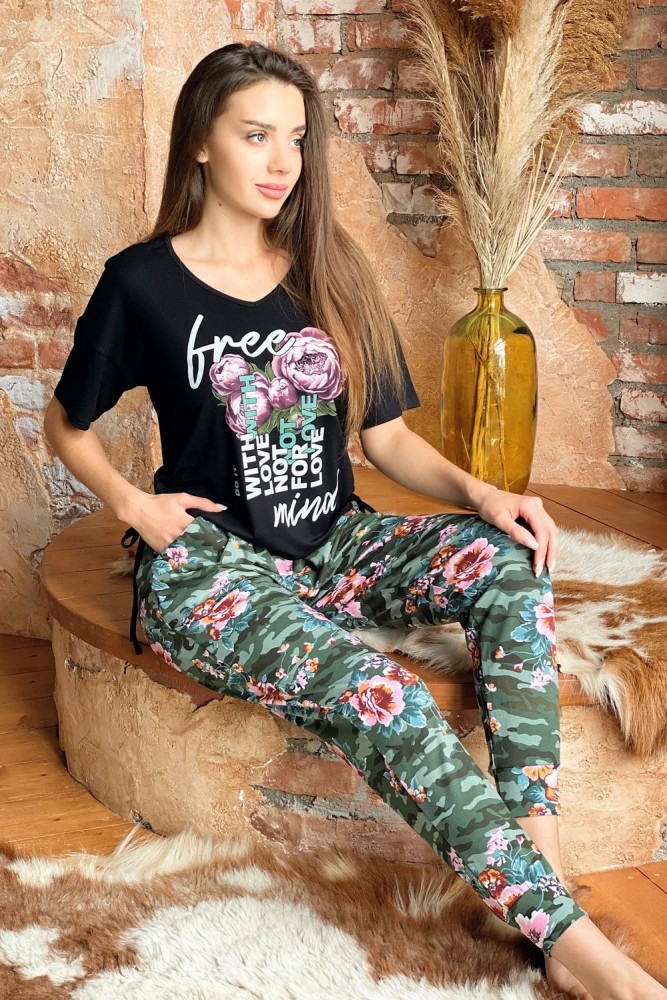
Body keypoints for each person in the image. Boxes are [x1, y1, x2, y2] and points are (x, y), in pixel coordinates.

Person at [43, 41, 666, 1000]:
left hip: (335, 541)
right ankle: (584, 957)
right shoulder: (141, 283)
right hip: (214, 569)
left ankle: (534, 861)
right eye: (255, 135)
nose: (281, 161)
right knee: (383, 695)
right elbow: (66, 423)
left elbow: (384, 439)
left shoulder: (328, 271)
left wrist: (481, 494)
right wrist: (132, 504)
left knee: (507, 559)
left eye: (296, 139)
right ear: (200, 141)